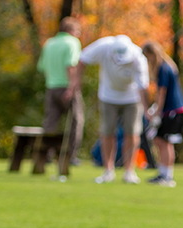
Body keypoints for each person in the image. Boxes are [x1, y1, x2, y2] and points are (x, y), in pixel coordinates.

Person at [78, 34, 150, 184]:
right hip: (108, 96)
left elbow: (143, 87)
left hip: (132, 98)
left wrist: (147, 109)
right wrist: (76, 83)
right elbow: (82, 59)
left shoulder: (138, 57)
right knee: (107, 131)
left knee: (132, 132)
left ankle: (129, 172)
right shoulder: (103, 46)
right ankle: (108, 170)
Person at [37, 17, 84, 166]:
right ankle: (70, 156)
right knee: (76, 121)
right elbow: (70, 65)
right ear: (70, 30)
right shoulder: (72, 42)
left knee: (50, 123)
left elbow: (42, 67)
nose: (78, 35)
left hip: (51, 87)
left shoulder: (49, 43)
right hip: (67, 87)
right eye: (77, 31)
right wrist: (72, 87)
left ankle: (47, 154)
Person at [142, 40, 183, 188]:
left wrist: (157, 114)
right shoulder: (168, 66)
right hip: (171, 110)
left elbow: (161, 93)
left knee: (165, 142)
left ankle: (167, 176)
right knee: (160, 141)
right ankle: (163, 172)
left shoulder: (163, 68)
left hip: (171, 111)